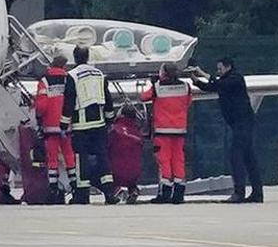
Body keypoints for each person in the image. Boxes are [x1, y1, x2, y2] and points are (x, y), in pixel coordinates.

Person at [190, 57, 263, 203]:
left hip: (243, 123)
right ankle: (257, 193)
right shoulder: (225, 81)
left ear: (228, 67)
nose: (218, 71)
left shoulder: (235, 78)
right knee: (249, 158)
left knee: (236, 156)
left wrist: (203, 74)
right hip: (240, 123)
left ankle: (239, 192)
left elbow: (218, 84)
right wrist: (195, 80)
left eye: (220, 68)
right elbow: (211, 87)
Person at [60, 46, 119, 205]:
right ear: (87, 57)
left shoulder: (72, 76)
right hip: (99, 125)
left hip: (81, 126)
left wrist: (64, 124)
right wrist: (109, 120)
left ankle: (82, 195)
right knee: (103, 157)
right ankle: (109, 193)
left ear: (75, 57)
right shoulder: (99, 74)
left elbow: (69, 101)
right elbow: (108, 100)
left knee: (81, 160)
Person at [141, 63, 192, 204]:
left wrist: (155, 83)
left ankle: (165, 193)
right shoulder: (185, 87)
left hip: (163, 131)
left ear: (163, 73)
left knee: (164, 161)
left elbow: (143, 97)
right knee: (179, 161)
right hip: (180, 130)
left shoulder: (158, 88)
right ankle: (179, 193)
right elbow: (188, 103)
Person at [35, 55, 77, 204]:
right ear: (64, 66)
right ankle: (75, 187)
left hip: (50, 125)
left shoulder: (45, 81)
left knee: (52, 159)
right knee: (69, 157)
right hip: (67, 125)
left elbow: (41, 105)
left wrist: (39, 116)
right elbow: (73, 100)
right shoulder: (68, 79)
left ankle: (53, 189)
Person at [108, 105, 144, 204]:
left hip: (116, 172)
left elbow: (106, 147)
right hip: (135, 172)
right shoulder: (137, 132)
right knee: (130, 168)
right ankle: (133, 190)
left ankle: (115, 190)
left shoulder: (114, 130)